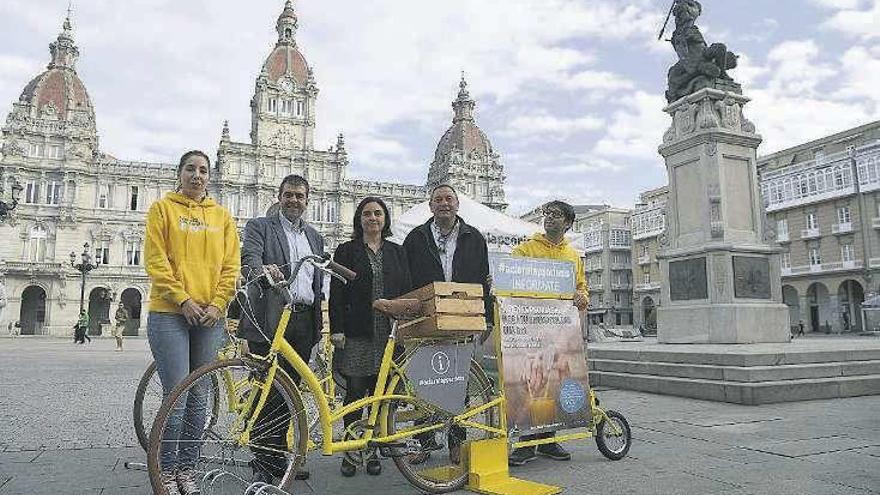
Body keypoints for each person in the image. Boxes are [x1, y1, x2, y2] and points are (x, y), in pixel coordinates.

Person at [144, 150, 241, 495]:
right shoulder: (162, 210)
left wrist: (218, 304)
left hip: (211, 316)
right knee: (177, 393)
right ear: (180, 173)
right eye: (190, 169)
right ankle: (166, 469)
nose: (197, 175)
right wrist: (182, 299)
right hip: (170, 312)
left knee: (199, 395)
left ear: (209, 177)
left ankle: (188, 467)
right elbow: (156, 262)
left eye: (203, 170)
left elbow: (231, 267)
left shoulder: (222, 217)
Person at [237, 174, 324, 484]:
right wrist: (262, 269)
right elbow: (249, 259)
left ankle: (281, 454)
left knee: (291, 392)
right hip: (271, 318)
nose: (294, 200)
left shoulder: (314, 236)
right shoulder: (260, 226)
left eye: (300, 195)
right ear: (279, 196)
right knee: (269, 390)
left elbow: (317, 280)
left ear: (307, 200)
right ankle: (266, 460)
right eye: (289, 194)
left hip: (303, 319)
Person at [402, 184, 491, 463]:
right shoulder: (415, 238)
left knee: (460, 383)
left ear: (457, 204)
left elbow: (483, 280)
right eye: (438, 199)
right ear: (430, 206)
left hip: (462, 318)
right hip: (426, 319)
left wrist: (484, 317)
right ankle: (425, 442)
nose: (444, 204)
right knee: (424, 382)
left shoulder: (474, 238)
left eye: (449, 199)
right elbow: (407, 279)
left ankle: (456, 440)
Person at [329, 197, 412, 477]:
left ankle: (374, 449)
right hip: (358, 332)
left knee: (382, 395)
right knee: (355, 395)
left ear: (385, 219)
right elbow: (336, 293)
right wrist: (337, 328)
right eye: (367, 214)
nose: (372, 218)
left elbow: (408, 291)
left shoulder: (398, 252)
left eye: (378, 213)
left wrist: (407, 325)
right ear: (359, 219)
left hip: (389, 334)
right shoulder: (346, 250)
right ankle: (352, 451)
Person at [507, 200, 588, 467]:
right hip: (531, 328)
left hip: (560, 330)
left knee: (555, 384)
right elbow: (509, 276)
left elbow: (582, 288)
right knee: (531, 383)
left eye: (556, 215)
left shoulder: (573, 256)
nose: (549, 218)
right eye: (547, 214)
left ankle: (548, 440)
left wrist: (582, 297)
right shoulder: (526, 249)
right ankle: (524, 443)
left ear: (567, 223)